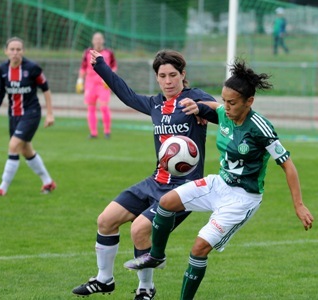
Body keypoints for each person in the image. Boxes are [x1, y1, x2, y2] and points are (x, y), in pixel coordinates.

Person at [124, 59, 314, 300]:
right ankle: (157, 255)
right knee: (166, 203)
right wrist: (197, 106)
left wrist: (298, 204)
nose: (226, 107)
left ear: (249, 102)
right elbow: (214, 107)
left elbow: (287, 165)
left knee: (199, 248)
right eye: (224, 100)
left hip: (242, 199)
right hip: (219, 184)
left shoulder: (260, 127)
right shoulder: (225, 112)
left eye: (232, 102)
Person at [71, 49, 216, 300]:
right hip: (156, 180)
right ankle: (104, 280)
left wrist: (203, 108)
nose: (168, 81)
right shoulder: (155, 104)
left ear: (183, 75)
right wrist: (101, 66)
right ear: (157, 78)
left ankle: (146, 289)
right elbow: (126, 95)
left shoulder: (195, 97)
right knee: (106, 220)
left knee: (139, 230)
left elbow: (224, 112)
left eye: (173, 75)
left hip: (184, 188)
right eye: (163, 76)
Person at [0, 37, 56, 196]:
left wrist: (50, 113)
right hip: (14, 115)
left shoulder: (32, 68)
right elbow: (0, 93)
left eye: (18, 49)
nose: (15, 53)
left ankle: (3, 188)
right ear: (6, 51)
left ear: (23, 51)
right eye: (12, 49)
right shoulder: (3, 69)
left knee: (13, 145)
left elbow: (46, 89)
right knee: (26, 151)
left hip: (31, 113)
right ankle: (48, 183)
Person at [76, 32, 117, 139]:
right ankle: (93, 133)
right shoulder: (87, 53)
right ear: (93, 41)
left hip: (103, 84)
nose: (98, 41)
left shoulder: (109, 53)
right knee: (91, 108)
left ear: (103, 40)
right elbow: (83, 67)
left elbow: (114, 67)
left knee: (103, 107)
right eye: (96, 39)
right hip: (90, 83)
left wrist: (110, 77)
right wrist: (80, 80)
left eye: (100, 39)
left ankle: (107, 131)